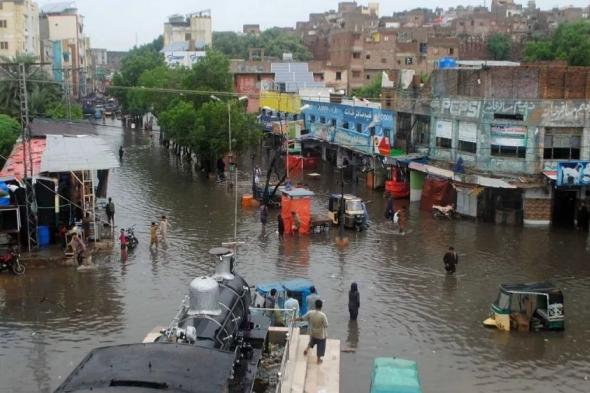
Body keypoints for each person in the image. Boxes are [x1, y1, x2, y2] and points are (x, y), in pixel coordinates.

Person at [298, 299, 329, 364]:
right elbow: (326, 325)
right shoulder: (323, 315)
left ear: (315, 306)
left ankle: (306, 349)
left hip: (312, 332)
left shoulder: (310, 312)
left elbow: (302, 318)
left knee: (312, 341)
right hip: (320, 334)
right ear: (321, 306)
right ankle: (318, 360)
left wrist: (294, 319)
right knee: (321, 346)